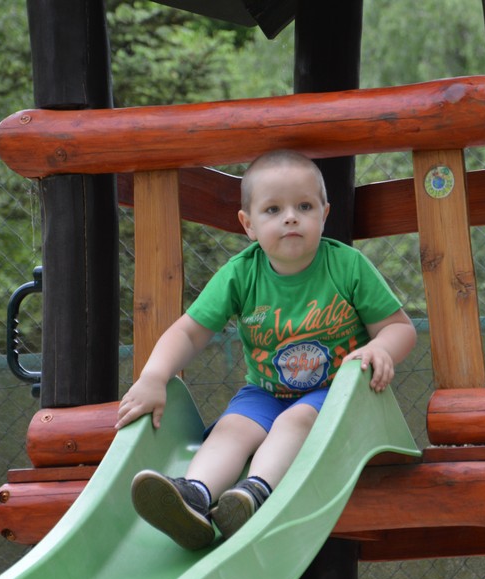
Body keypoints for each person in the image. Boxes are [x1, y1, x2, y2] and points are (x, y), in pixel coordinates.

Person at [115, 149, 417, 550]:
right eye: (273, 209)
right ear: (249, 224)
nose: (290, 217)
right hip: (265, 392)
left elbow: (399, 327)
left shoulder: (347, 267)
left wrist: (381, 348)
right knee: (232, 427)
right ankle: (195, 497)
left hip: (335, 395)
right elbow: (188, 332)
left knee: (295, 421)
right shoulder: (241, 274)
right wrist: (154, 377)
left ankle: (253, 495)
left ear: (324, 214)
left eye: (304, 207)